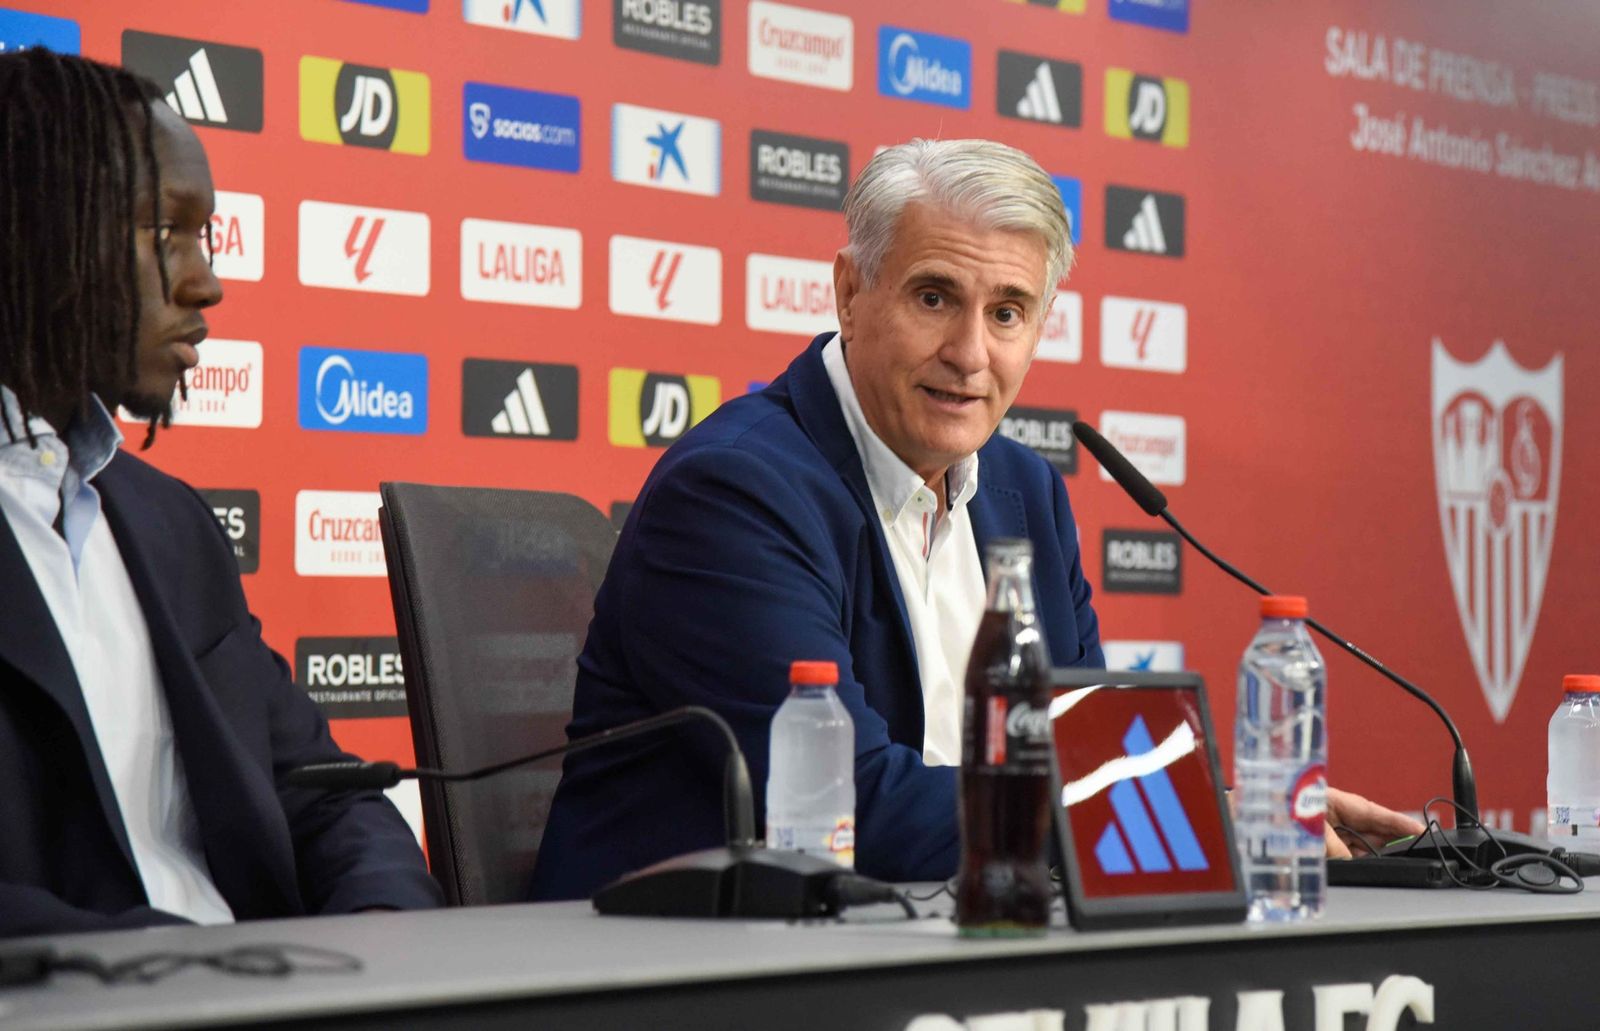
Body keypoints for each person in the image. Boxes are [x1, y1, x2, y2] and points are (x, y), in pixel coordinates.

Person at [531, 139, 1419, 899]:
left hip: (938, 955)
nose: (969, 354)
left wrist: (1225, 811)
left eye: (1006, 313)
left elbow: (1085, 757)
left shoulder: (1024, 495)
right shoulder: (736, 491)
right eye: (933, 298)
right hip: (692, 979)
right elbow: (852, 808)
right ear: (849, 291)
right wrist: (1187, 824)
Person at [0, 49, 442, 937]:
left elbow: (324, 795)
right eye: (169, 232)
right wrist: (191, 969)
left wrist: (387, 939)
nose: (207, 281)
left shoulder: (171, 525)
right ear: (42, 228)